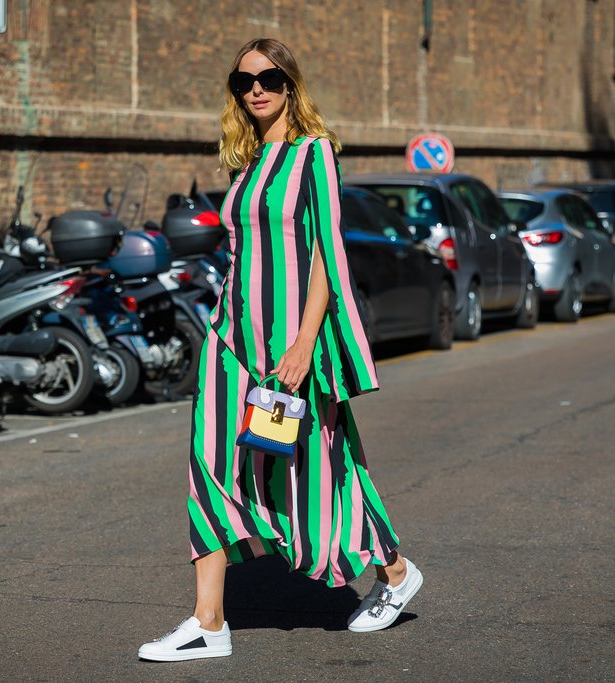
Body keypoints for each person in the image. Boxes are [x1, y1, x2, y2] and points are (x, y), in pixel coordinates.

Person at [138, 37, 423, 662]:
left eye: (268, 77)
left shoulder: (313, 154)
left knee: (318, 468)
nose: (256, 89)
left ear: (290, 83)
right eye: (244, 82)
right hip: (230, 339)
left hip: (290, 348)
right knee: (208, 464)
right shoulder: (244, 162)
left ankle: (395, 571)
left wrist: (302, 344)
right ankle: (208, 622)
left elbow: (326, 254)